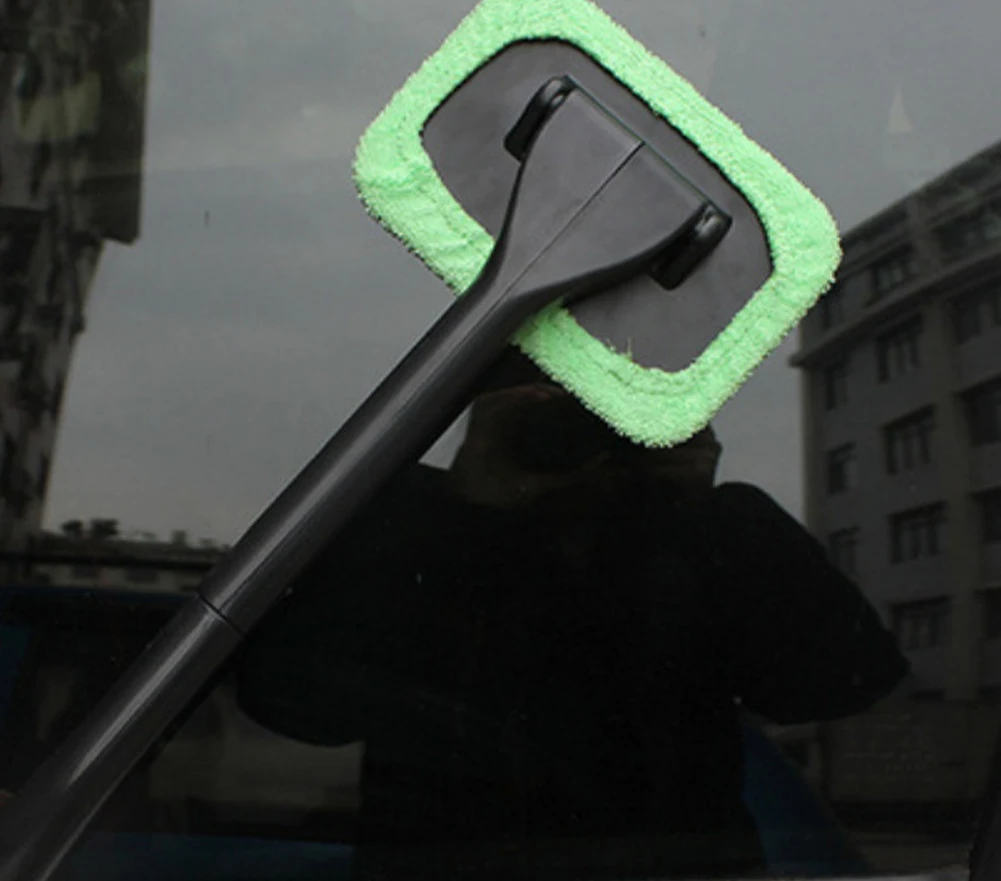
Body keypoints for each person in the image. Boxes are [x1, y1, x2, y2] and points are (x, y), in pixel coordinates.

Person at [236, 351, 908, 880]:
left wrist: (700, 513)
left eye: (603, 415)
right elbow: (292, 702)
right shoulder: (417, 522)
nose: (577, 438)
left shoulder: (703, 531)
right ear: (487, 415)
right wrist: (464, 513)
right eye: (548, 412)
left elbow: (846, 682)